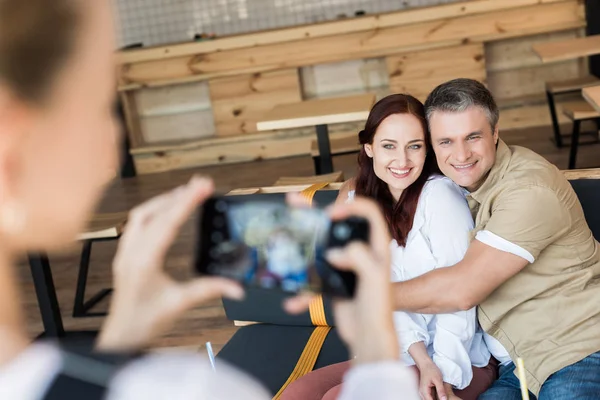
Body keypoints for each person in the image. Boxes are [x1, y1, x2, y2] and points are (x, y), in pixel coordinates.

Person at [0, 0, 421, 399]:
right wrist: (375, 342)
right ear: (13, 139)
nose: (112, 150)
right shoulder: (182, 389)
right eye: (100, 104)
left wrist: (125, 335)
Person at [390, 78, 600, 399]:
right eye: (445, 141)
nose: (461, 154)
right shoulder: (452, 185)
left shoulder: (528, 189)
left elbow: (462, 290)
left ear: (495, 133)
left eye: (473, 137)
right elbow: (376, 170)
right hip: (517, 364)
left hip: (578, 349)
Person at [281, 94, 495, 400]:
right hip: (402, 353)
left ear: (427, 149)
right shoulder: (362, 204)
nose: (403, 161)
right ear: (369, 148)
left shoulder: (440, 197)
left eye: (415, 146)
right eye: (388, 146)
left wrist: (441, 374)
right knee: (298, 395)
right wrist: (419, 359)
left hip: (459, 359)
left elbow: (459, 302)